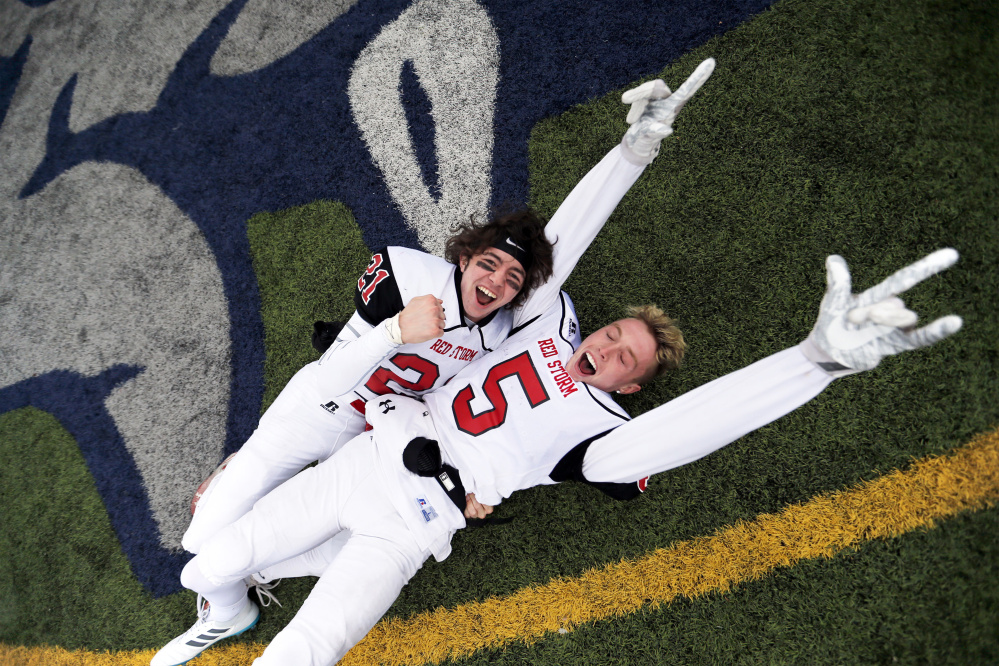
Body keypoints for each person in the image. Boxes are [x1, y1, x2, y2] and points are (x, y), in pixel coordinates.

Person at [159, 58, 971, 666]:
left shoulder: (602, 436)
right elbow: (561, 246)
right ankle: (235, 603)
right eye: (617, 333)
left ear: (632, 387)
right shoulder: (538, 327)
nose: (614, 348)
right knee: (211, 558)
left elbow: (690, 430)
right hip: (365, 454)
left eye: (630, 360)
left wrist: (812, 362)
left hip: (412, 525)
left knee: (302, 655)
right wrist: (633, 150)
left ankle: (272, 596)